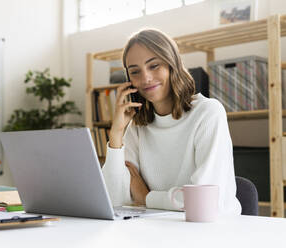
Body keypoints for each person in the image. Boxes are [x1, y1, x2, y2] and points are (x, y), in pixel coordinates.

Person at [101, 28, 241, 215]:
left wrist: (145, 197)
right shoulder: (137, 125)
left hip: (209, 231)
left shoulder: (208, 113)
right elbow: (115, 200)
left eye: (154, 66)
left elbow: (201, 201)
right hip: (161, 229)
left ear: (171, 64)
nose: (145, 78)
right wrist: (116, 133)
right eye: (135, 72)